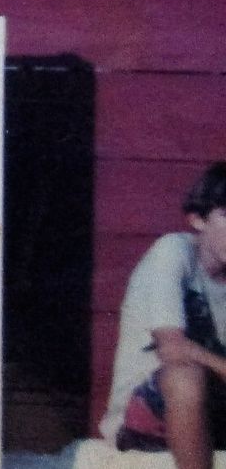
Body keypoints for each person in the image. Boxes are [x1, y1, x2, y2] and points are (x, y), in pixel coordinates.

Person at [100, 161, 226, 469]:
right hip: (146, 419)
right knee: (185, 375)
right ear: (198, 220)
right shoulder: (174, 251)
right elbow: (173, 348)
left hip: (213, 409)